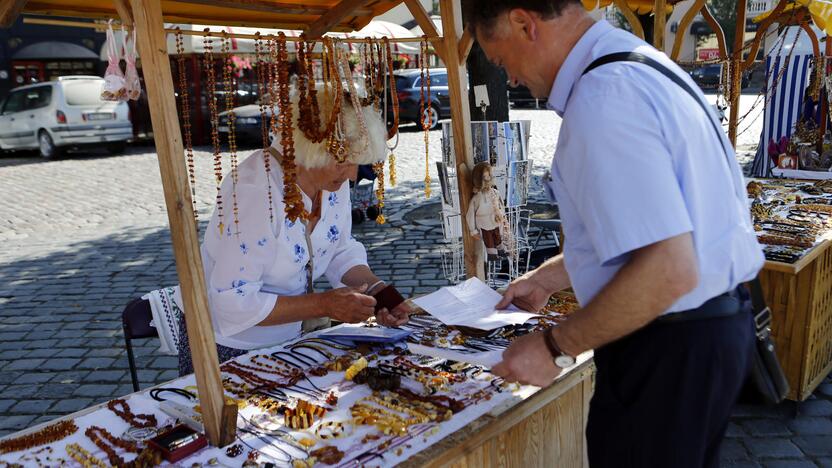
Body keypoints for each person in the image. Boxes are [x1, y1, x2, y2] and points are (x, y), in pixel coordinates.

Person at [462, 1, 764, 467]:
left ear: (524, 23)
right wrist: (546, 280)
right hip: (706, 334)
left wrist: (553, 347)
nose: (512, 79)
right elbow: (656, 231)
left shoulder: (604, 98)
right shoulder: (636, 63)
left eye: (502, 62)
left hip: (666, 348)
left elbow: (668, 269)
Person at [176, 91, 411, 375]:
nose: (351, 174)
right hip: (229, 345)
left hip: (290, 339)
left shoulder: (331, 182)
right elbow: (232, 300)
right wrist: (324, 305)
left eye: (356, 162)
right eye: (343, 161)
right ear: (312, 149)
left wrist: (379, 292)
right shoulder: (255, 190)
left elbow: (338, 248)